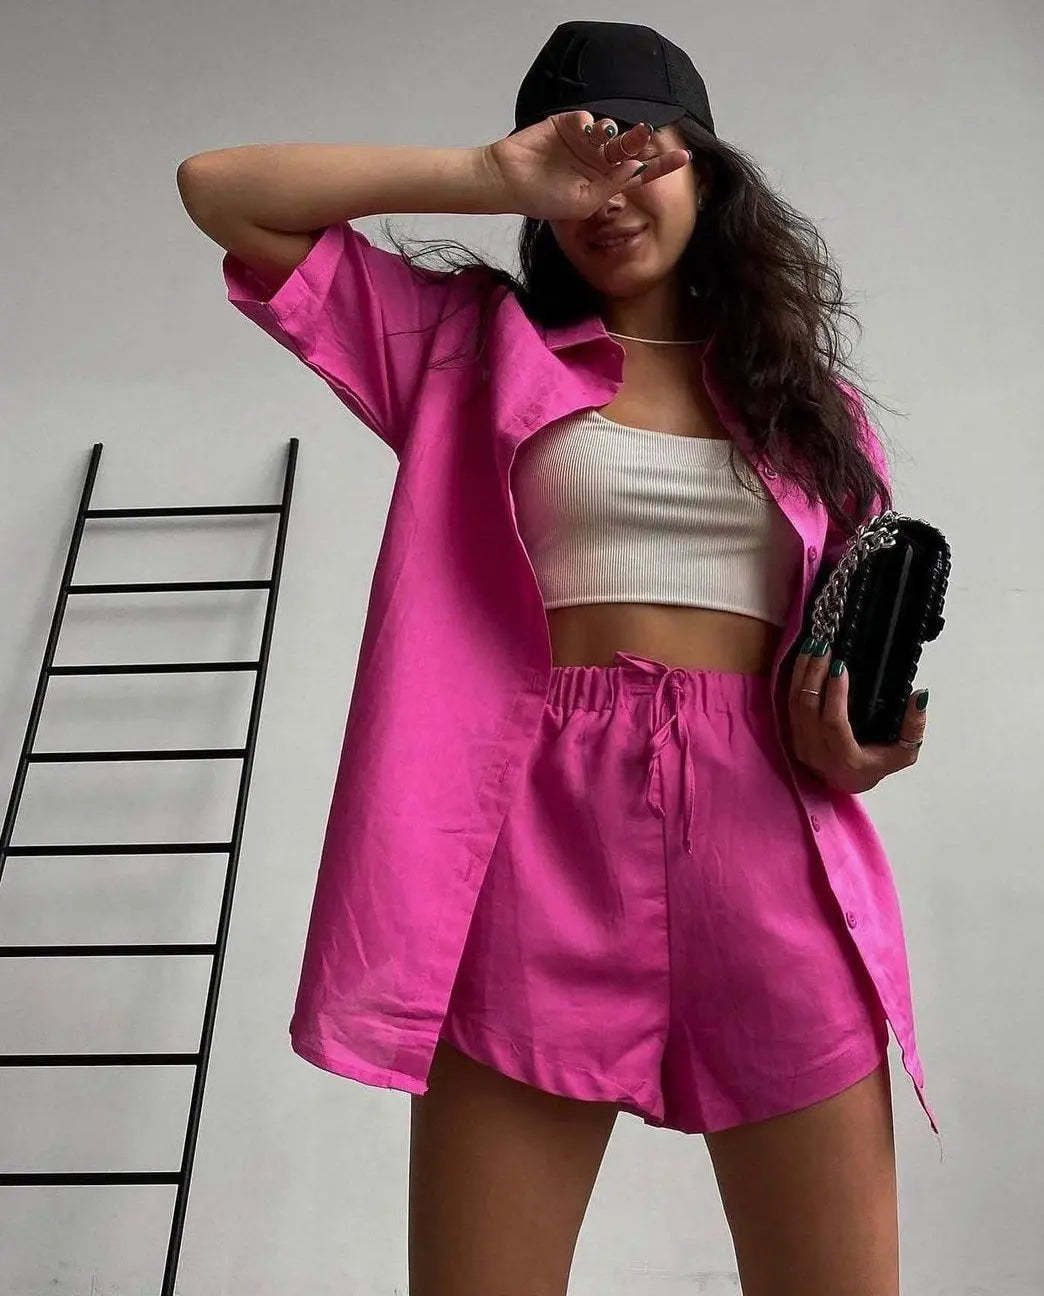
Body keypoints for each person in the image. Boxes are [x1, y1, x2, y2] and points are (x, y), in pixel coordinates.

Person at [177, 20, 939, 1295]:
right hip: (528, 838)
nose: (611, 195)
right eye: (580, 168)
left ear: (710, 174)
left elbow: (842, 640)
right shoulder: (465, 350)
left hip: (768, 837)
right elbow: (220, 191)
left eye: (646, 160)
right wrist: (488, 176)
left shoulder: (809, 407)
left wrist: (867, 739)